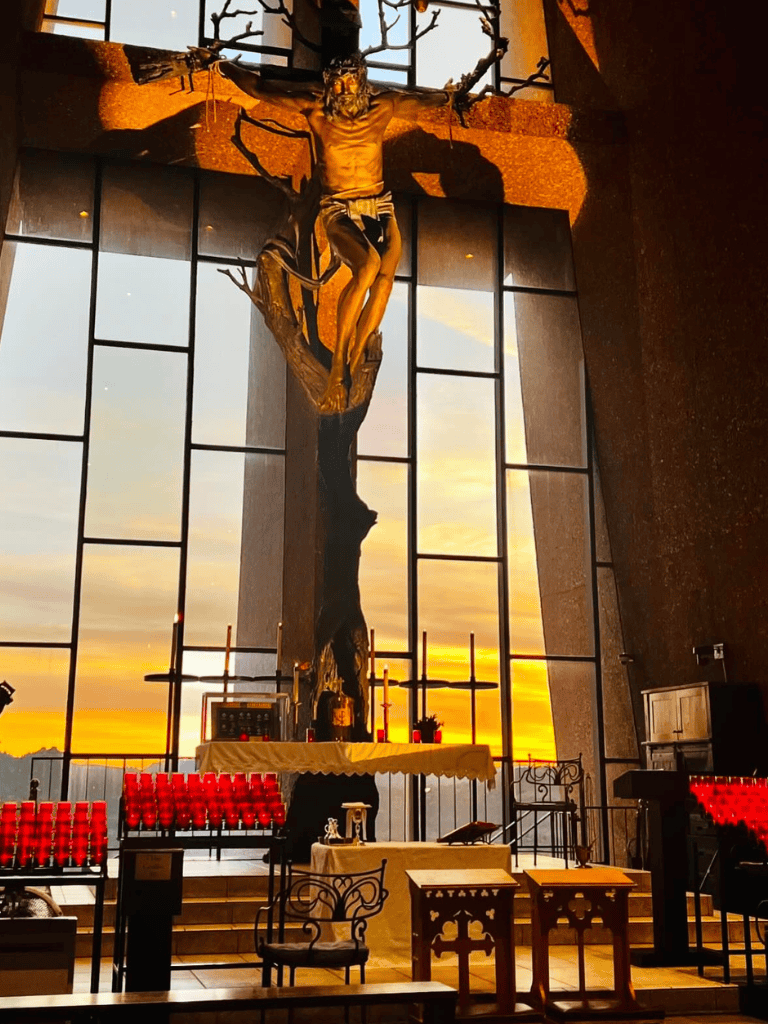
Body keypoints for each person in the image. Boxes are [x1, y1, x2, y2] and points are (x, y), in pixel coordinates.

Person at [193, 51, 454, 412]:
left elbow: (424, 100)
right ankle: (336, 371)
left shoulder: (383, 107)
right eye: (338, 82)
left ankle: (357, 354)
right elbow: (260, 87)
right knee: (367, 266)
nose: (345, 88)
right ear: (329, 85)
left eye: (351, 80)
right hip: (339, 207)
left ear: (363, 80)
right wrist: (222, 65)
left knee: (386, 275)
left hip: (379, 204)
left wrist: (449, 95)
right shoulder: (315, 110)